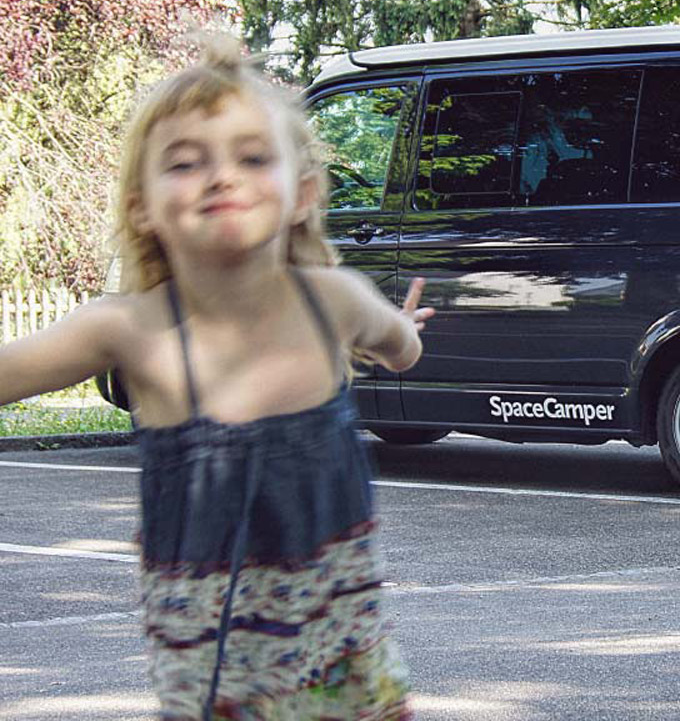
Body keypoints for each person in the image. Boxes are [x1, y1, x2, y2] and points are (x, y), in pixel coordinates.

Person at [0, 37, 432, 719]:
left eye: (253, 157)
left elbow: (399, 344)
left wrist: (403, 334)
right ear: (142, 205)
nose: (221, 176)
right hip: (213, 678)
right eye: (185, 162)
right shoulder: (128, 330)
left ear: (303, 194)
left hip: (343, 656)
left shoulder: (334, 300)